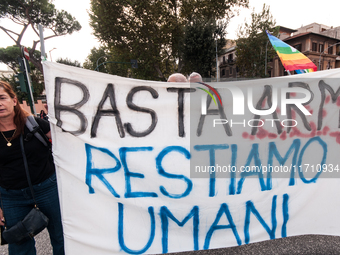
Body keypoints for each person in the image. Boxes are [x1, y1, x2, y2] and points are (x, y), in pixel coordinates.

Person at [0, 81, 64, 255]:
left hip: (47, 189)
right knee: (19, 245)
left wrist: (59, 116)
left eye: (2, 98)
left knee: (62, 237)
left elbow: (67, 139)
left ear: (14, 100)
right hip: (11, 197)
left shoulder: (33, 124)